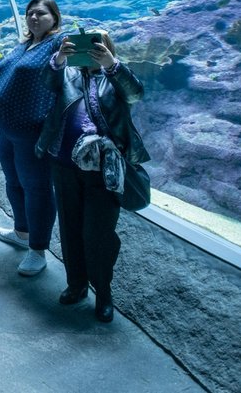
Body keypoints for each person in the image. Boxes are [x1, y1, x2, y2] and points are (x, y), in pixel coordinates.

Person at [37, 30, 149, 322]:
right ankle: (76, 285)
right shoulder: (68, 75)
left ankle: (103, 292)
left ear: (108, 49)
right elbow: (47, 82)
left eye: (98, 46)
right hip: (64, 164)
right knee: (70, 228)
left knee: (98, 234)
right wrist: (61, 56)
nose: (91, 51)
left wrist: (111, 65)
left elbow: (135, 92)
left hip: (104, 170)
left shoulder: (115, 77)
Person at [0, 0, 64, 277]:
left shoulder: (57, 44)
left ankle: (38, 250)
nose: (34, 18)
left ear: (54, 18)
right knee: (14, 183)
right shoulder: (23, 45)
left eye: (41, 14)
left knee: (38, 189)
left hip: (33, 131)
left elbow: (61, 68)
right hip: (7, 128)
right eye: (30, 13)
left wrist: (63, 57)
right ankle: (21, 232)